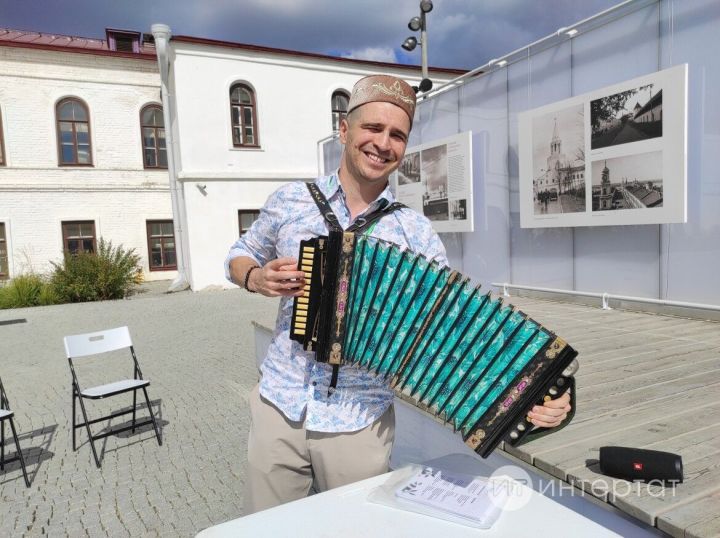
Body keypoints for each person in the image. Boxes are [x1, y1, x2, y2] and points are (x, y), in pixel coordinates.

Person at [226, 74, 571, 514]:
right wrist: (254, 277)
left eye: (397, 135)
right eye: (373, 128)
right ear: (344, 129)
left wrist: (532, 392)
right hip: (279, 403)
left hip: (358, 421)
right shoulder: (291, 200)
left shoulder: (415, 232)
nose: (383, 143)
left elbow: (451, 331)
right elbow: (241, 252)